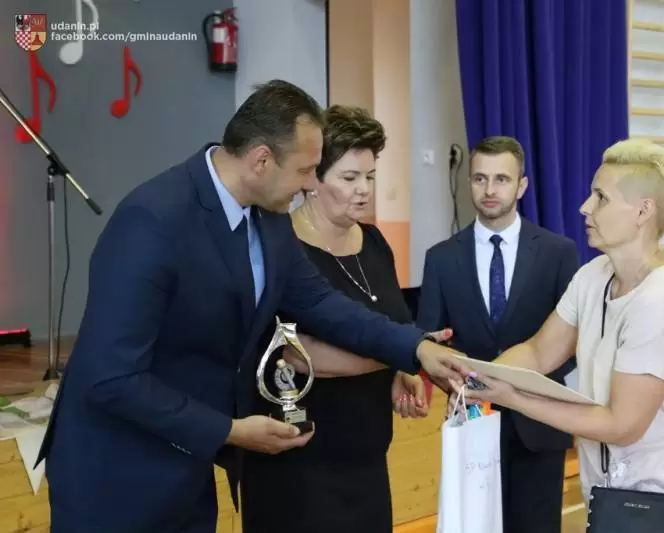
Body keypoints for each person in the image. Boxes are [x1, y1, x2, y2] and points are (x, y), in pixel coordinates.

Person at [36, 80, 468, 533]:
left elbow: (322, 302)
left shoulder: (268, 218)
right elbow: (112, 377)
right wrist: (230, 431)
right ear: (262, 160)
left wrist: (415, 347)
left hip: (188, 462)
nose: (310, 185)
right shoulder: (153, 220)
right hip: (116, 472)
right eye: (305, 171)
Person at [461, 139, 664, 533]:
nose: (585, 207)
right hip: (613, 493)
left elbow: (622, 425)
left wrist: (513, 397)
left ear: (643, 211)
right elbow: (539, 352)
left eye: (601, 197)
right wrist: (476, 377)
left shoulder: (663, 301)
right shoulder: (592, 277)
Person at [240, 104, 433, 533]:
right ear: (313, 180)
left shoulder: (375, 242)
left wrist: (403, 369)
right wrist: (403, 352)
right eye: (349, 178)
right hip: (298, 462)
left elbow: (390, 323)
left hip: (367, 459)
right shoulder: (281, 246)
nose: (363, 190)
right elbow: (300, 357)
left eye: (370, 176)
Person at [417, 136, 580, 533]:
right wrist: (457, 381)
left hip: (539, 423)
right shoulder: (440, 258)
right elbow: (429, 341)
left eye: (502, 179)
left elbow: (572, 344)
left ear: (521, 186)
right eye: (480, 179)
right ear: (469, 182)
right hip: (472, 422)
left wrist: (515, 383)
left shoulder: (559, 252)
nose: (489, 189)